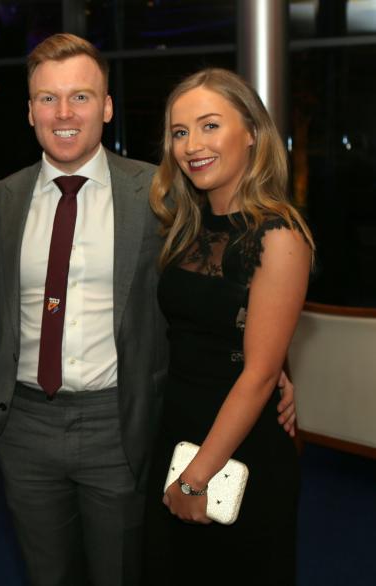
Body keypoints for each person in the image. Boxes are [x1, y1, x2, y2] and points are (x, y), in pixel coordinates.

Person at [0, 34, 296, 586]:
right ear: (30, 112)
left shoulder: (162, 191)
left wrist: (273, 366)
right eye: (47, 98)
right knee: (45, 573)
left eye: (81, 96)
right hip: (23, 425)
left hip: (120, 422)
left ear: (106, 107)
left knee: (124, 571)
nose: (64, 112)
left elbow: (228, 283)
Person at [143, 68, 313, 585]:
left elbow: (258, 375)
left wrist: (197, 478)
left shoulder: (279, 235)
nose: (192, 144)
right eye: (179, 131)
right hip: (178, 429)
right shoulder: (187, 228)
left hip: (238, 450)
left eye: (210, 125)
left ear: (252, 134)